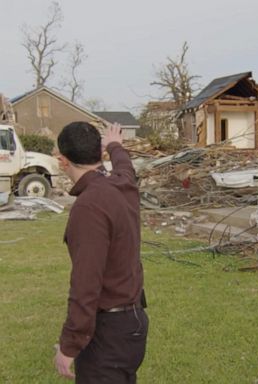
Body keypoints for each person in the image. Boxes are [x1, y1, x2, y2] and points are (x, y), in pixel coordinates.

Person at [54, 122, 148, 383]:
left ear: (63, 161)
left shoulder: (89, 206)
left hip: (109, 335)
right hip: (133, 326)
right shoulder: (122, 184)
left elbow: (86, 283)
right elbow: (125, 165)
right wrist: (115, 145)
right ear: (100, 153)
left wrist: (69, 345)